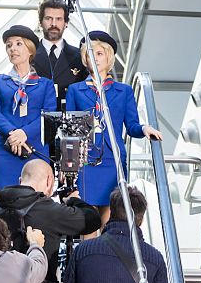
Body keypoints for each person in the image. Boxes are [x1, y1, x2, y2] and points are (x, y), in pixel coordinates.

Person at [66, 31, 162, 226]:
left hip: (113, 159)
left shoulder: (124, 91)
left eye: (99, 53)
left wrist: (144, 128)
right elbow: (70, 130)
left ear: (108, 57)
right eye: (90, 53)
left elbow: (132, 126)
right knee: (87, 219)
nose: (94, 57)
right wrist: (69, 165)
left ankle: (107, 245)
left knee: (111, 217)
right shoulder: (76, 90)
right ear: (84, 59)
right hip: (86, 160)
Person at [0, 25, 56, 193]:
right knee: (5, 198)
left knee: (37, 200)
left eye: (18, 44)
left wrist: (24, 133)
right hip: (6, 148)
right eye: (9, 45)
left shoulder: (45, 84)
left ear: (30, 49)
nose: (13, 48)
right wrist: (13, 134)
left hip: (35, 149)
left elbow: (48, 115)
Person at [33, 0, 88, 110]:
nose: (53, 24)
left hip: (70, 117)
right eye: (48, 18)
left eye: (58, 19)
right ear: (40, 22)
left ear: (66, 23)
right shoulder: (28, 56)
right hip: (36, 118)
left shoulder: (80, 57)